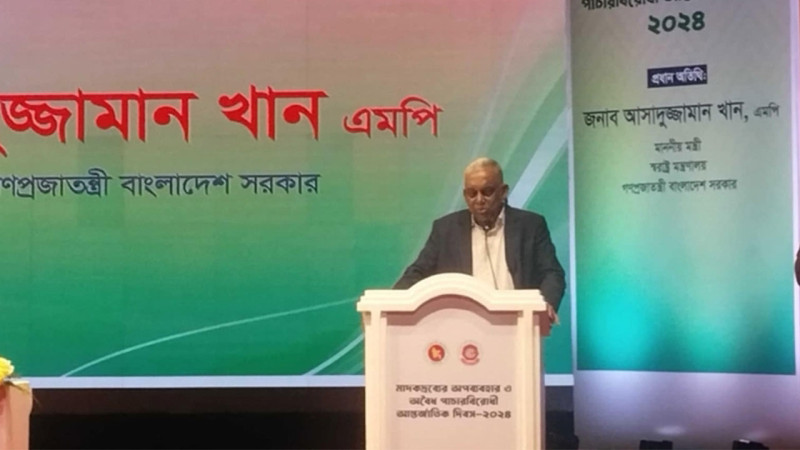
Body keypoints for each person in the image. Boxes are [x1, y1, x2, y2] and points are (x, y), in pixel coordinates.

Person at [394, 157, 565, 323]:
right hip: (460, 326)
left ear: (503, 191)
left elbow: (552, 273)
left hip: (518, 323)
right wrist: (392, 302)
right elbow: (418, 272)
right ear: (465, 195)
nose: (479, 200)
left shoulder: (530, 226)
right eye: (472, 193)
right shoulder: (446, 229)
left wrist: (545, 303)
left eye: (487, 192)